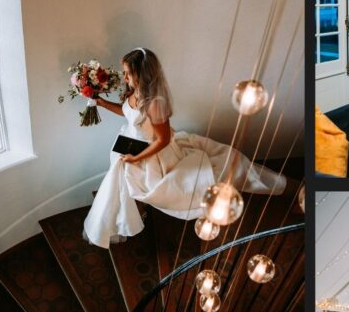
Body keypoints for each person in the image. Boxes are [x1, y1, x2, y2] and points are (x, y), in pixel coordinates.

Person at [84, 47, 288, 248]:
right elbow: (128, 112)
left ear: (142, 74)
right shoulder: (134, 92)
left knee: (140, 185)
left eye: (129, 73)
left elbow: (163, 140)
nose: (125, 77)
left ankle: (138, 211)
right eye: (125, 72)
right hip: (130, 143)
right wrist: (102, 103)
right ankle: (130, 214)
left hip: (151, 154)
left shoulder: (155, 103)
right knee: (122, 183)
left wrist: (137, 158)